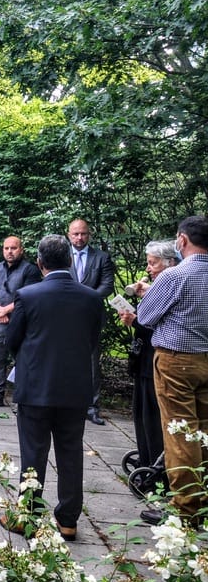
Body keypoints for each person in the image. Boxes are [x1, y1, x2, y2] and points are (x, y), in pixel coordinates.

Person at [3, 234, 103, 542]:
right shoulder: (91, 297)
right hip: (75, 388)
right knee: (71, 453)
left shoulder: (28, 295)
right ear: (70, 260)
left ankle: (28, 515)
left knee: (33, 451)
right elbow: (93, 339)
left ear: (39, 262)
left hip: (35, 386)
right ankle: (68, 520)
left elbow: (11, 340)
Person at [134, 217, 208, 525]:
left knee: (180, 434)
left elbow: (146, 316)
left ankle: (186, 507)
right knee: (203, 432)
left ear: (182, 240)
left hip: (176, 361)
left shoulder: (175, 275)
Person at [117, 241, 179, 478]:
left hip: (158, 360)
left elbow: (161, 328)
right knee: (141, 415)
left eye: (153, 263)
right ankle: (146, 457)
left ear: (168, 264)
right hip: (143, 360)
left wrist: (135, 321)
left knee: (153, 417)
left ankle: (157, 465)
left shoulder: (173, 284)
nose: (149, 268)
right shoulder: (158, 286)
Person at [0, 236, 43, 408]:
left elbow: (29, 296)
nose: (9, 251)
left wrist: (5, 310)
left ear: (21, 249)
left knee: (22, 359)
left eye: (13, 248)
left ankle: (22, 397)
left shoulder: (30, 270)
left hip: (21, 322)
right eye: (6, 248)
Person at [68, 218, 116, 425]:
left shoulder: (102, 257)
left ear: (90, 234)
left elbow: (107, 285)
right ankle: (66, 404)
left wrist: (86, 299)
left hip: (91, 317)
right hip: (64, 315)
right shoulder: (61, 255)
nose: (79, 238)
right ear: (68, 234)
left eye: (83, 234)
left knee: (91, 363)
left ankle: (92, 407)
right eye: (76, 234)